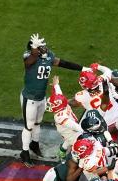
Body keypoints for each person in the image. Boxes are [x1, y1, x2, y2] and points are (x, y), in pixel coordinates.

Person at [20, 33, 83, 166]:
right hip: (29, 97)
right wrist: (35, 50)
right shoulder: (29, 56)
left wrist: (82, 68)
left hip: (41, 96)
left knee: (38, 122)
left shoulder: (48, 56)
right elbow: (29, 62)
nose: (45, 48)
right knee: (28, 126)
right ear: (34, 48)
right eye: (40, 46)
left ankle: (34, 144)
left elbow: (63, 63)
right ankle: (24, 153)